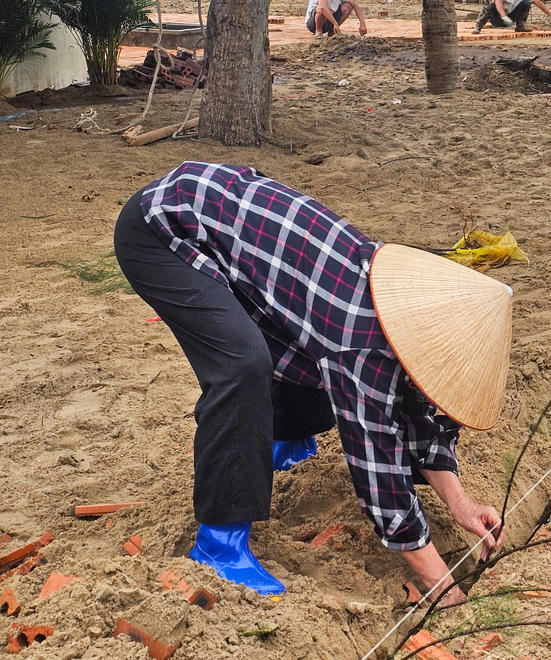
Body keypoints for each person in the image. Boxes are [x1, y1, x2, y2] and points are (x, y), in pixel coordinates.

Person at [113, 162, 510, 603]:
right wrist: (443, 585)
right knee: (242, 365)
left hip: (228, 229)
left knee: (319, 369)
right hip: (162, 229)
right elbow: (377, 472)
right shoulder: (362, 345)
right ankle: (218, 544)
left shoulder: (404, 313)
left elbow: (412, 410)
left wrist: (462, 505)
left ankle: (278, 441)